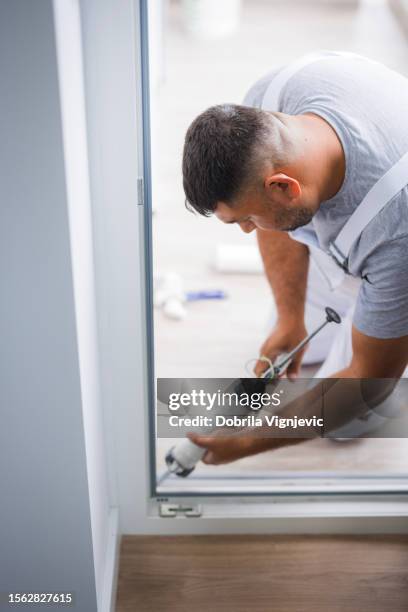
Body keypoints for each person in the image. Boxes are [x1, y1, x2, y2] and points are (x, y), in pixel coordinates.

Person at [181, 52, 408, 465]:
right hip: (360, 236)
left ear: (284, 186)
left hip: (395, 251)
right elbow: (282, 220)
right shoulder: (267, 107)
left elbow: (368, 381)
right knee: (291, 340)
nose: (248, 230)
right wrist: (290, 316)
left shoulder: (397, 227)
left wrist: (252, 441)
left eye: (246, 218)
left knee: (353, 416)